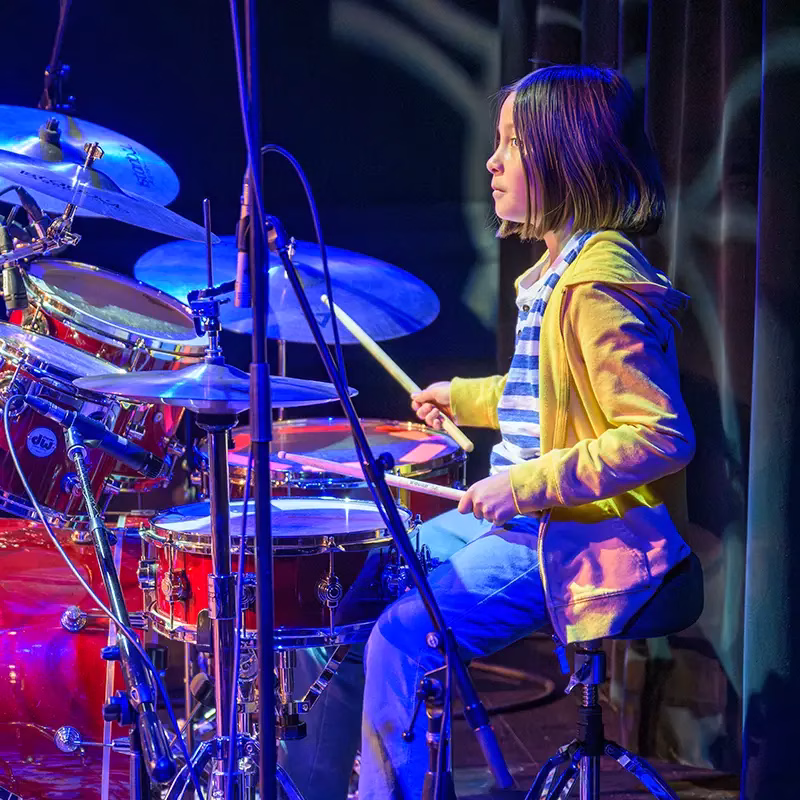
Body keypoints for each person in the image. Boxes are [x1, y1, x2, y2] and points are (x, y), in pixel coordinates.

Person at [357, 64, 702, 799]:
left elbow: (660, 435)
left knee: (397, 639)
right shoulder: (555, 270)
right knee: (363, 574)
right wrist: (465, 397)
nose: (492, 161)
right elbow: (542, 399)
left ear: (567, 157)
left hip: (578, 538)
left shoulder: (595, 287)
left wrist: (521, 484)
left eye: (511, 143)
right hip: (532, 522)